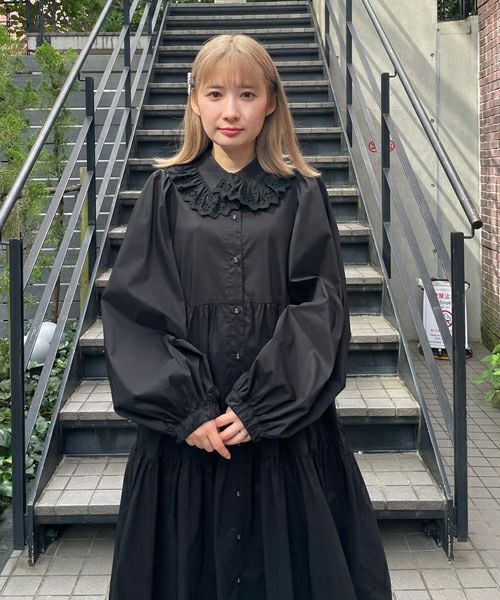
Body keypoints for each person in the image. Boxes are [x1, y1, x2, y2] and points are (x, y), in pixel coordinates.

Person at [101, 33, 392, 600]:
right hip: (189, 441)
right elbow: (136, 308)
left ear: (271, 102)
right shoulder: (164, 192)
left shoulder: (302, 193)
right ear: (195, 101)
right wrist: (185, 408)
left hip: (284, 436)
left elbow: (322, 307)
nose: (230, 111)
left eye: (247, 94)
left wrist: (264, 404)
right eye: (215, 94)